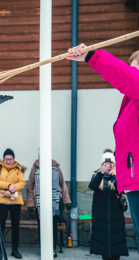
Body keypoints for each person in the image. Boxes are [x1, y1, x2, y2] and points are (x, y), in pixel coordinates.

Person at [68, 43, 139, 252]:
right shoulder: (130, 103)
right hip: (133, 184)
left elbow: (126, 76)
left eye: (137, 70)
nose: (133, 74)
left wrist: (92, 56)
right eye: (132, 69)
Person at [26, 159, 71, 258]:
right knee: (41, 227)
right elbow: (30, 186)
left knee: (53, 227)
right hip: (39, 202)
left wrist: (66, 201)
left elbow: (62, 184)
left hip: (54, 202)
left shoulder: (56, 168)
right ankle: (43, 249)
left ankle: (53, 249)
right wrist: (30, 203)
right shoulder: (35, 168)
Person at [88, 149, 128, 260]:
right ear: (102, 163)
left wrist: (117, 177)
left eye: (110, 163)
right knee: (103, 249)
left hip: (116, 218)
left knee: (116, 249)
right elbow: (92, 186)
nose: (108, 165)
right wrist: (101, 172)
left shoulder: (118, 175)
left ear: (114, 163)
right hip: (101, 218)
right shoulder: (97, 175)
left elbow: (123, 190)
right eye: (106, 163)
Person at [0, 149, 26, 260]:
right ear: (3, 159)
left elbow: (22, 182)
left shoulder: (18, 168)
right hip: (1, 200)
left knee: (15, 226)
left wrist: (12, 190)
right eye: (6, 159)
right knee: (0, 226)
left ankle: (14, 250)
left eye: (10, 159)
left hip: (15, 201)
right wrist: (8, 186)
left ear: (13, 159)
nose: (8, 161)